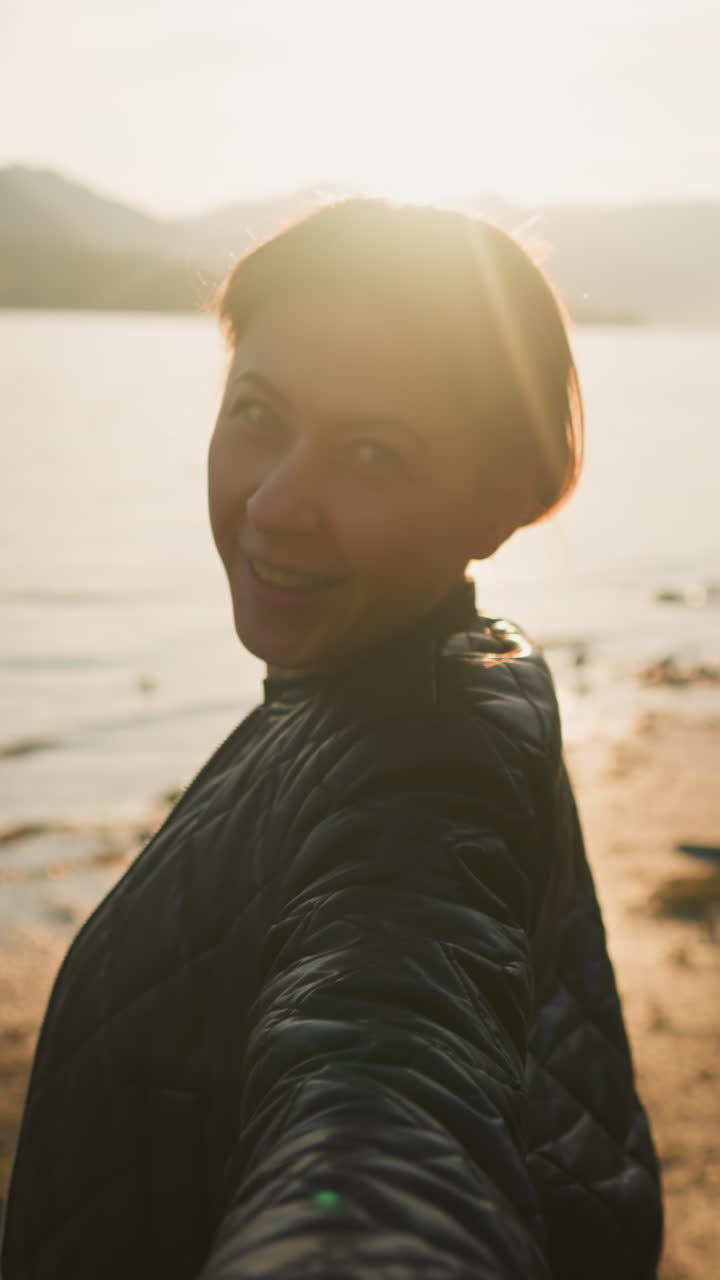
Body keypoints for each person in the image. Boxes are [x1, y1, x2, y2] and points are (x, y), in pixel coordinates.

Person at [1, 199, 663, 1279]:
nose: (276, 500)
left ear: (503, 501)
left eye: (371, 450)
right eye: (258, 413)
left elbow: (390, 1070)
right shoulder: (400, 680)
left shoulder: (432, 761)